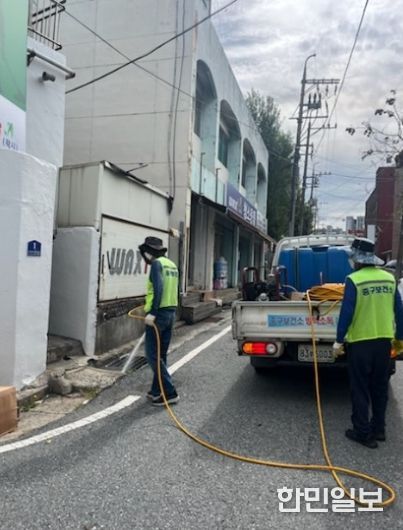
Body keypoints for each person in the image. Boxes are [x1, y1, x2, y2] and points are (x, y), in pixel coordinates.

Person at [333, 237, 403, 448]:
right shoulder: (389, 279)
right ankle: (379, 429)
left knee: (360, 388)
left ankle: (363, 432)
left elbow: (346, 313)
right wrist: (399, 338)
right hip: (384, 342)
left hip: (361, 343)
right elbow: (399, 311)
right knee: (380, 388)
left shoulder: (354, 280)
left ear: (357, 259)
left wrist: (339, 340)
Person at [139, 236, 179, 406]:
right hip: (171, 312)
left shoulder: (157, 264)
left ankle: (169, 392)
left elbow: (158, 288)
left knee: (152, 355)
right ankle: (157, 391)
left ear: (150, 251)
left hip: (159, 314)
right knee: (161, 355)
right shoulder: (172, 265)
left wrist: (153, 313)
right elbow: (175, 290)